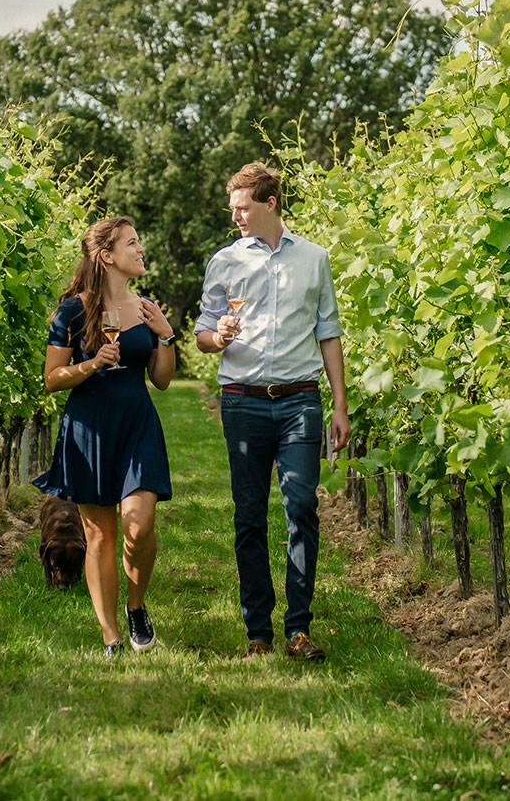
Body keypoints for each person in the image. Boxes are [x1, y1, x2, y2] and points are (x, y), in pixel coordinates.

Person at [194, 162, 349, 662]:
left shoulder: (314, 259)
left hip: (301, 398)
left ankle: (298, 628)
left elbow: (328, 330)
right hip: (242, 400)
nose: (235, 216)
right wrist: (218, 338)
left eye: (242, 207)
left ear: (270, 204)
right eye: (232, 208)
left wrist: (339, 404)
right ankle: (257, 632)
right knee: (249, 517)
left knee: (301, 506)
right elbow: (202, 332)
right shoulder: (224, 261)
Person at [34, 216, 177, 659]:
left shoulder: (146, 307)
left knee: (140, 526)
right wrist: (93, 364)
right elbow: (53, 379)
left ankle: (137, 607)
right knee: (100, 537)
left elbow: (163, 380)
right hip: (89, 430)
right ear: (106, 256)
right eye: (131, 243)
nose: (140, 250)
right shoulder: (72, 313)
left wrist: (166, 335)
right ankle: (111, 635)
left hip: (137, 425)